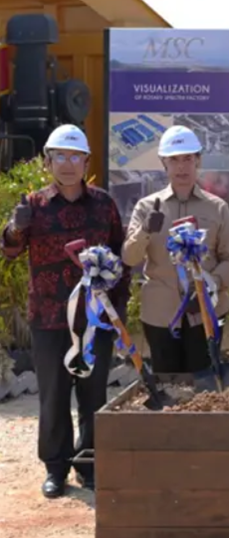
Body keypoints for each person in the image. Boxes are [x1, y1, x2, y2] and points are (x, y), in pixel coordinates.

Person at [0, 124, 130, 497]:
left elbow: (120, 256)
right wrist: (15, 228)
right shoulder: (33, 205)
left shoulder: (103, 204)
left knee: (93, 394)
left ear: (86, 162)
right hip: (48, 319)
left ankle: (89, 465)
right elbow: (10, 251)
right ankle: (55, 468)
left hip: (95, 320)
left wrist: (118, 308)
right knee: (53, 396)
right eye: (60, 156)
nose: (68, 164)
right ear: (48, 162)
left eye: (75, 156)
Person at [122, 125, 229, 374]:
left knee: (205, 385)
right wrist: (145, 230)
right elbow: (130, 258)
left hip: (208, 310)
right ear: (164, 163)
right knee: (168, 383)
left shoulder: (217, 207)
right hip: (160, 314)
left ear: (198, 161)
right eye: (174, 160)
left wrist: (210, 286)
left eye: (187, 158)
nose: (181, 167)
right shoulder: (146, 207)